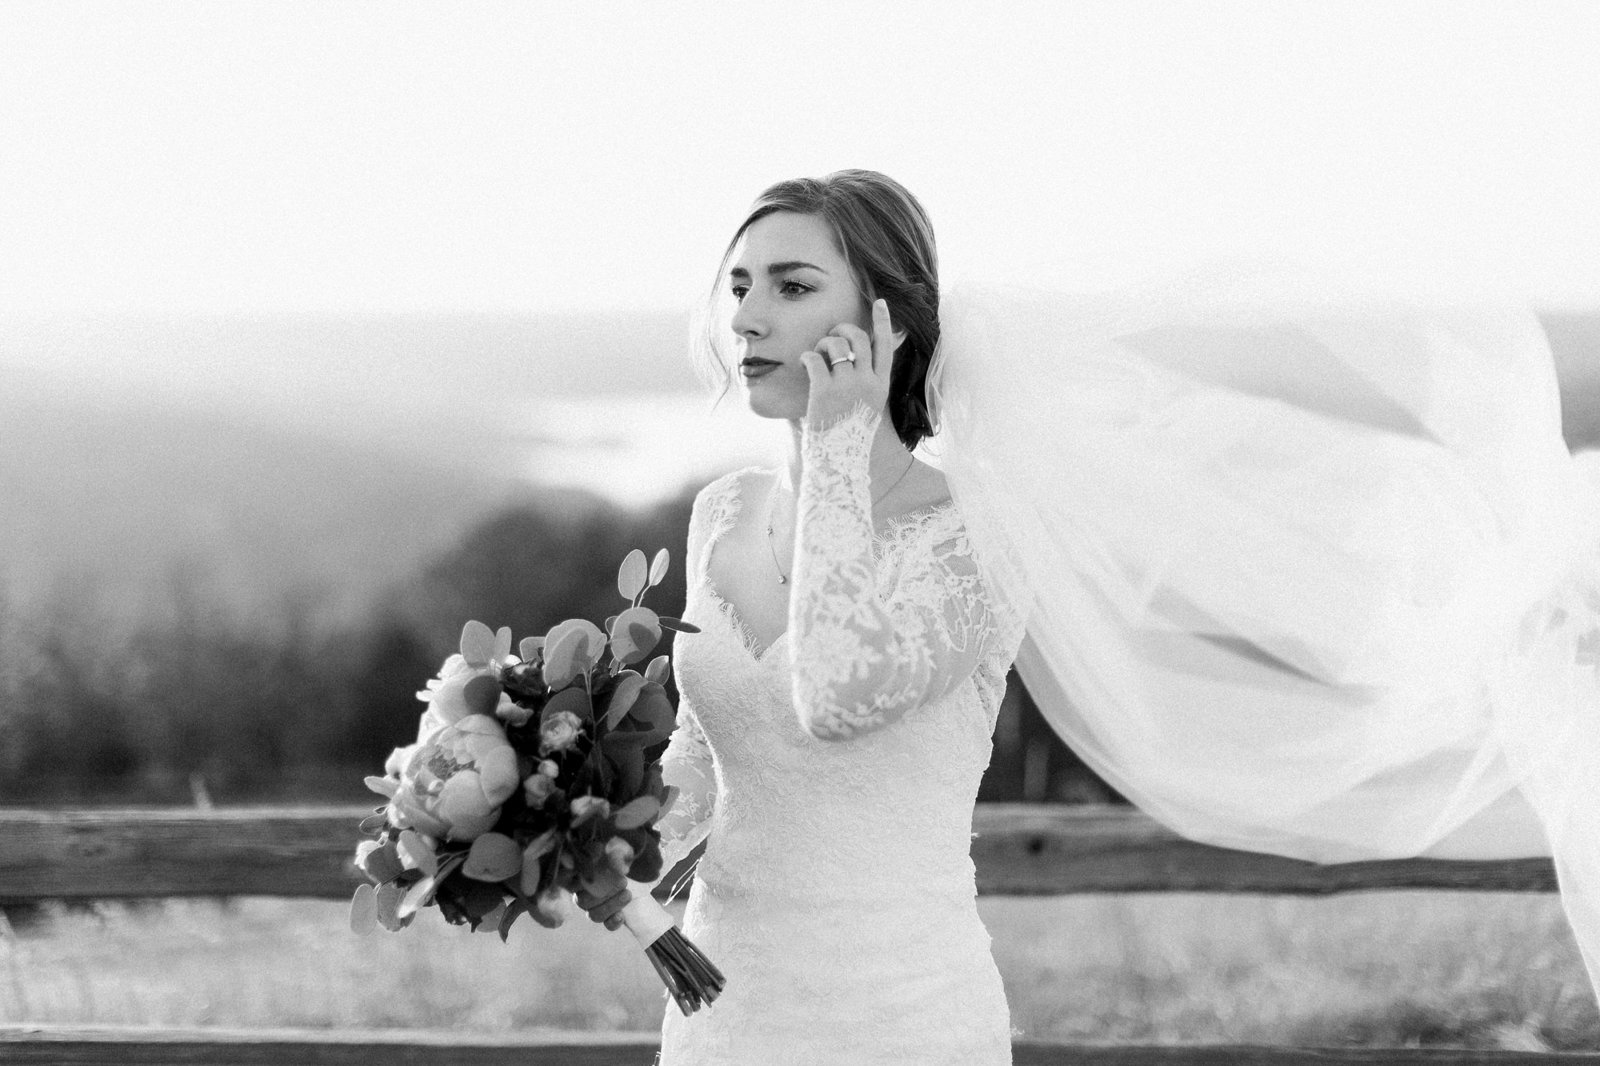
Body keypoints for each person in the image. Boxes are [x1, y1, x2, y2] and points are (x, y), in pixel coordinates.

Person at [577, 169, 1027, 1063]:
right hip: (727, 1012)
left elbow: (832, 697)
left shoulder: (975, 532)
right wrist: (582, 826)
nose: (747, 317)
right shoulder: (724, 513)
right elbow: (706, 759)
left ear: (888, 320)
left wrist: (837, 439)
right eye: (740, 286)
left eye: (793, 286)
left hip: (903, 1017)